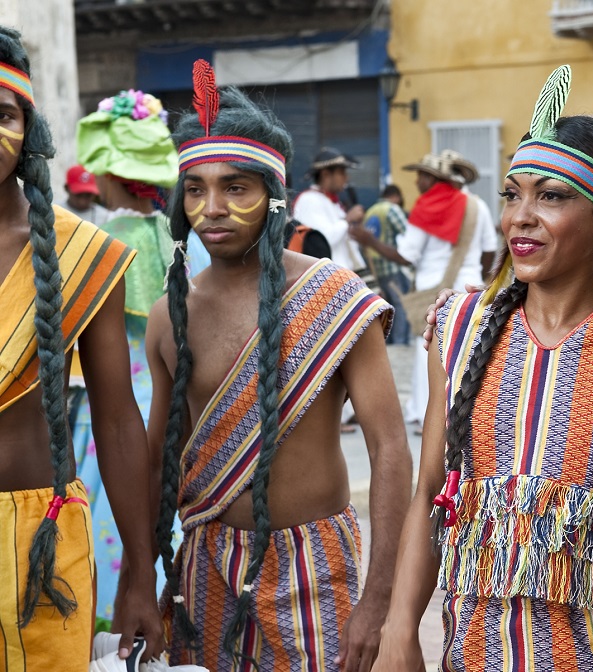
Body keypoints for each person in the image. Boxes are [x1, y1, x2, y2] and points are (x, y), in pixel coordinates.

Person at [373, 65, 593, 672]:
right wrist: (399, 631)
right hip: (473, 655)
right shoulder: (458, 329)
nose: (520, 217)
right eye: (513, 194)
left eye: (552, 196)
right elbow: (431, 490)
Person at [148, 61, 411, 671]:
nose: (212, 207)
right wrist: (143, 570)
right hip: (205, 568)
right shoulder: (170, 316)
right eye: (196, 189)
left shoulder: (336, 296)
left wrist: (379, 600)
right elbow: (157, 455)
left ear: (273, 195)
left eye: (236, 187)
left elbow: (392, 448)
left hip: (317, 568)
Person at [0, 26, 161, 667]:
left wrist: (141, 575)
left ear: (29, 128)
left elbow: (119, 422)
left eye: (3, 114)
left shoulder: (83, 255)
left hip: (46, 548)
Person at [74, 88, 209, 623]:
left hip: (108, 408)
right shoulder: (189, 241)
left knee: (108, 507)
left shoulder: (95, 242)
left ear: (107, 174)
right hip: (179, 406)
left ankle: (110, 617)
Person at [351, 150, 497, 429]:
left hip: (434, 292)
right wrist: (479, 279)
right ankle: (467, 412)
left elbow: (406, 256)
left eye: (421, 175)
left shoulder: (428, 205)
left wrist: (369, 240)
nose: (417, 181)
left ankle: (423, 413)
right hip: (470, 289)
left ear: (433, 178)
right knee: (470, 350)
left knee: (428, 352)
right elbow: (489, 251)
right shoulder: (478, 205)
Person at [291, 147, 366, 269]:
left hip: (341, 275)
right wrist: (347, 220)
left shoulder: (333, 202)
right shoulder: (309, 200)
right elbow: (320, 242)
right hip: (326, 278)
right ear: (325, 174)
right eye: (342, 172)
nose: (346, 178)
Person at [361, 184, 412, 344]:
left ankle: (388, 342)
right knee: (401, 304)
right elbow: (408, 234)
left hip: (377, 268)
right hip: (392, 265)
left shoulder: (371, 211)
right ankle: (400, 343)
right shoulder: (392, 209)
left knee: (386, 305)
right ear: (396, 196)